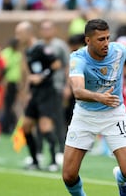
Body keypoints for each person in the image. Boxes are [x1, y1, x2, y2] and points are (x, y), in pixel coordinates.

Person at [62, 19, 126, 196]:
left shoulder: (117, 50)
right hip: (85, 115)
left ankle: (121, 181)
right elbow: (77, 91)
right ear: (88, 40)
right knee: (69, 175)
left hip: (114, 113)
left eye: (108, 38)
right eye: (101, 39)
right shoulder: (78, 58)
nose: (106, 43)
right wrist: (99, 97)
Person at [15, 21, 61, 172]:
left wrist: (42, 76)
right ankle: (35, 161)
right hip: (35, 93)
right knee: (26, 126)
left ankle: (54, 160)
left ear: (28, 33)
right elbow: (30, 74)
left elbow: (56, 64)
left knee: (45, 126)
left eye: (19, 33)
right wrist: (28, 91)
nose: (17, 37)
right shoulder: (28, 51)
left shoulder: (41, 47)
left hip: (47, 92)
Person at [40, 19, 71, 162]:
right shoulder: (39, 46)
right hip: (41, 89)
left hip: (57, 86)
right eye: (43, 28)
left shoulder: (60, 46)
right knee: (41, 119)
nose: (46, 31)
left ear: (54, 30)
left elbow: (67, 66)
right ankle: (39, 151)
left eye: (48, 28)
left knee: (59, 119)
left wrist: (67, 86)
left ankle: (61, 150)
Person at [0, 37, 22, 134]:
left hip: (15, 82)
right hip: (8, 82)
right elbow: (3, 68)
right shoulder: (6, 53)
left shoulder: (18, 54)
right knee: (8, 105)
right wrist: (3, 80)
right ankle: (6, 127)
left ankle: (12, 126)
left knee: (14, 105)